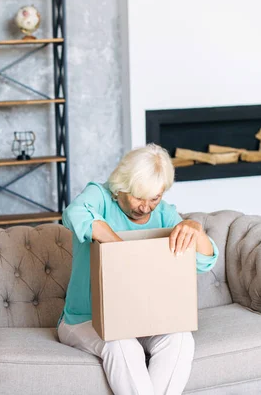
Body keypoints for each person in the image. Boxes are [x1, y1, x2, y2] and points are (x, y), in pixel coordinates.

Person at [58, 143, 219, 395]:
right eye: (138, 197)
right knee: (122, 345)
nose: (145, 207)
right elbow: (74, 214)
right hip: (84, 320)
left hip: (145, 322)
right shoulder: (99, 197)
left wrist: (194, 229)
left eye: (154, 198)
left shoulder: (165, 214)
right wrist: (121, 252)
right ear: (120, 186)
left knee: (180, 340)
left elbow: (204, 262)